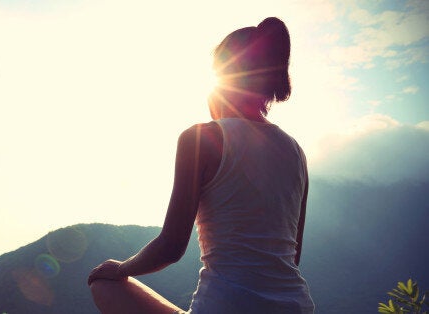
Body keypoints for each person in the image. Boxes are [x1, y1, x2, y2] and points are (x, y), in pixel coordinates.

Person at [87, 17, 315, 314]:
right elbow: (291, 255)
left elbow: (170, 247)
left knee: (103, 284)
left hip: (224, 307)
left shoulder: (202, 138)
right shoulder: (296, 152)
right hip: (297, 307)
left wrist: (120, 269)